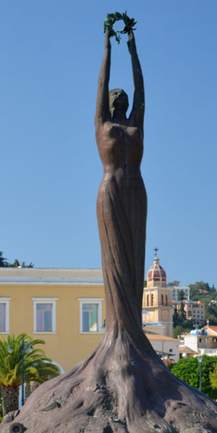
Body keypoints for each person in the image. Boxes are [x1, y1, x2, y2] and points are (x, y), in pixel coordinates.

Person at [94, 24, 146, 341]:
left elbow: (141, 89)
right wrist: (108, 47)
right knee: (115, 259)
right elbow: (102, 82)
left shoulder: (135, 122)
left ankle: (134, 332)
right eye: (114, 92)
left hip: (137, 191)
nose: (119, 94)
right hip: (111, 190)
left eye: (122, 93)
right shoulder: (103, 123)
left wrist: (132, 48)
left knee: (135, 258)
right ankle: (118, 334)